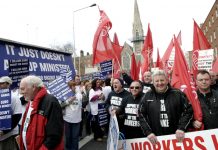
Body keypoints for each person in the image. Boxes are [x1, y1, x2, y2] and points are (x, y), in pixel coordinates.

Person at [138, 70, 193, 145]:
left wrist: (181, 128)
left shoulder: (178, 94)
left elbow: (188, 111)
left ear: (167, 81)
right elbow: (141, 114)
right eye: (157, 81)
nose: (160, 83)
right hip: (156, 139)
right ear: (153, 82)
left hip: (177, 137)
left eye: (162, 80)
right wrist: (148, 132)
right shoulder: (147, 95)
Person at [19, 75, 64, 150]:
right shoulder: (30, 101)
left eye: (23, 89)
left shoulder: (51, 102)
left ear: (33, 87)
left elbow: (54, 135)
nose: (21, 92)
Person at [0, 76, 22, 150]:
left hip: (9, 135)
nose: (0, 85)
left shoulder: (14, 97)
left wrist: (4, 131)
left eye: (2, 83)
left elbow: (17, 116)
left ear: (8, 84)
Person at [60, 80, 82, 150]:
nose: (74, 87)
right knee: (68, 136)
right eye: (72, 86)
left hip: (77, 119)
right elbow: (60, 105)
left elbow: (84, 102)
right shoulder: (64, 95)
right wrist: (68, 101)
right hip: (67, 119)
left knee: (75, 137)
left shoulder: (79, 94)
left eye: (74, 86)